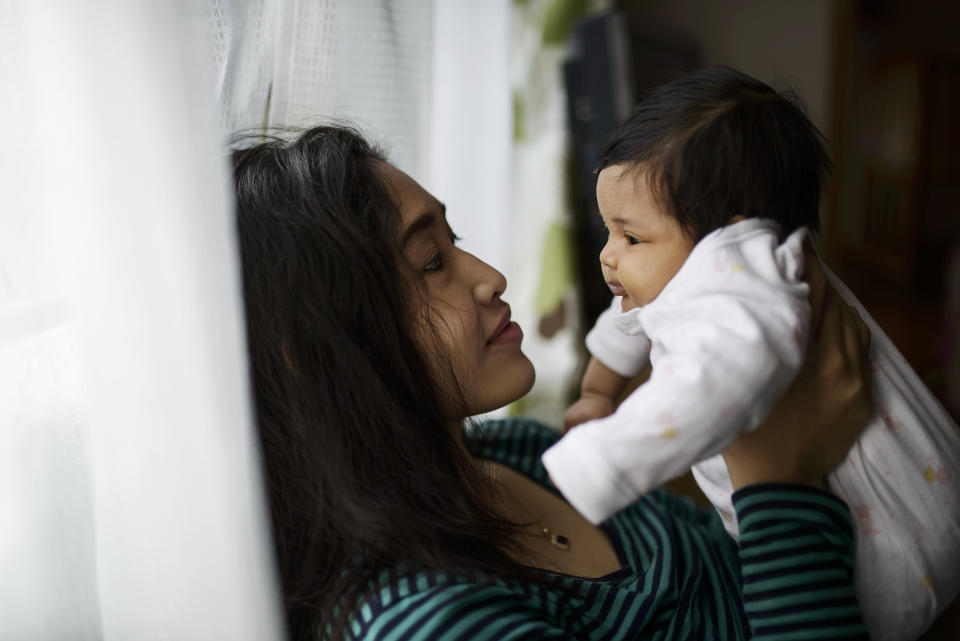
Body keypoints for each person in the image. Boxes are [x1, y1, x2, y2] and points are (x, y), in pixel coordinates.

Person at [230, 125, 874, 641]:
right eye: (431, 263)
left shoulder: (518, 454)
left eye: (455, 243)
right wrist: (776, 476)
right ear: (312, 348)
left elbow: (724, 565)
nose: (490, 277)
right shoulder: (429, 620)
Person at [543, 67, 960, 641]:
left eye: (632, 237)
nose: (609, 257)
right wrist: (598, 390)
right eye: (608, 231)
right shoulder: (694, 272)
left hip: (889, 551)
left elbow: (715, 383)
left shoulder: (740, 293)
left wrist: (599, 465)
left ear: (733, 236)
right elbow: (626, 323)